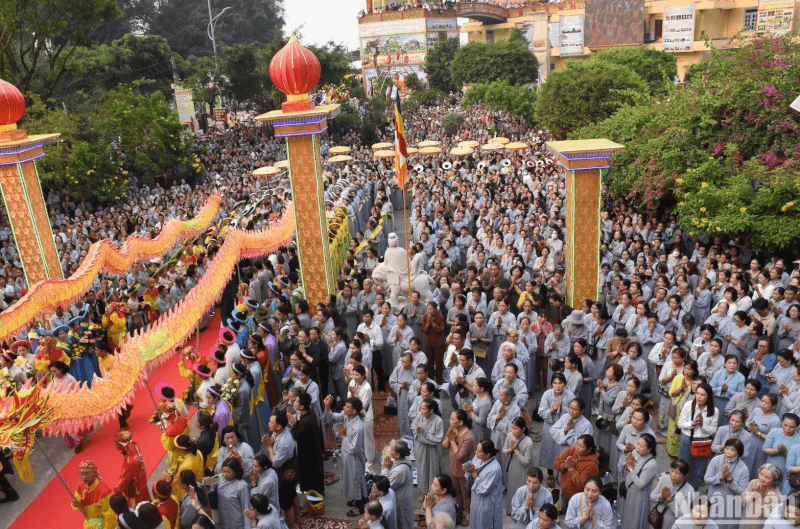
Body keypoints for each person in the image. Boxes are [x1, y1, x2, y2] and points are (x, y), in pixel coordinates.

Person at [323, 396, 367, 517]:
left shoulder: (358, 427)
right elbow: (330, 418)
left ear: (354, 411)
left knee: (356, 480)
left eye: (347, 407)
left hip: (354, 459)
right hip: (346, 456)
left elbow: (354, 448)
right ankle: (357, 499)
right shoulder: (346, 416)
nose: (343, 408)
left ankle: (360, 507)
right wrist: (327, 406)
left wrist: (343, 436)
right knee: (351, 480)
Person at [262, 412, 300, 527]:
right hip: (289, 468)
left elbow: (275, 463)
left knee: (286, 503)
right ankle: (298, 517)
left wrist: (269, 447)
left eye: (271, 422)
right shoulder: (279, 431)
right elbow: (273, 437)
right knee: (292, 494)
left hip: (285, 473)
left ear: (278, 426)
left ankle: (291, 525)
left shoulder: (285, 442)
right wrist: (270, 442)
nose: (268, 424)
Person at [678, 382, 719, 488]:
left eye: (703, 395)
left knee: (698, 472)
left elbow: (713, 431)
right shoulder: (688, 405)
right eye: (697, 393)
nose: (699, 397)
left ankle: (693, 493)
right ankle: (681, 491)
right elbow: (680, 424)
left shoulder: (714, 411)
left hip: (703, 442)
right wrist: (692, 423)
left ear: (708, 396)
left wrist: (702, 425)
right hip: (687, 439)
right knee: (683, 468)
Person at [703, 438, 750, 529]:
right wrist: (720, 477)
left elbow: (742, 491)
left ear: (739, 453)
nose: (728, 452)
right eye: (727, 448)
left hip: (731, 503)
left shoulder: (743, 468)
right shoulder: (716, 460)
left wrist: (730, 479)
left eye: (732, 450)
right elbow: (707, 479)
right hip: (714, 497)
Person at [538, 373, 575, 483]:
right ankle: (550, 474)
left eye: (560, 383)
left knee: (564, 451)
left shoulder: (570, 396)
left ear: (564, 384)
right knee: (550, 450)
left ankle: (562, 473)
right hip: (550, 426)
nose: (558, 386)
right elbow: (541, 412)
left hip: (565, 427)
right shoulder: (547, 394)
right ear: (552, 384)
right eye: (555, 383)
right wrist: (554, 408)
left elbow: (573, 411)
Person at [287, 391, 325, 496]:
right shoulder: (309, 412)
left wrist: (294, 425)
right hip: (312, 451)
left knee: (311, 476)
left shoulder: (307, 421)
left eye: (296, 401)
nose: (294, 402)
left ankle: (315, 498)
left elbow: (297, 436)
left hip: (309, 455)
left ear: (302, 406)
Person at [618, 433, 659, 529]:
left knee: (635, 520)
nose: (638, 447)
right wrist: (626, 465)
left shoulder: (651, 465)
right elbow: (628, 464)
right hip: (630, 490)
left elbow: (640, 484)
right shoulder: (636, 452)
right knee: (627, 516)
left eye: (641, 446)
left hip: (639, 496)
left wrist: (630, 468)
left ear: (649, 449)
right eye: (638, 444)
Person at [443, 409, 474, 521]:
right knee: (457, 491)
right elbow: (445, 445)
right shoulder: (453, 429)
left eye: (452, 419)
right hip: (454, 467)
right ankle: (460, 508)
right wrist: (449, 437)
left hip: (464, 469)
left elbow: (460, 456)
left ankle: (469, 514)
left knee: (466, 494)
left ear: (461, 422)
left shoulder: (468, 437)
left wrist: (452, 440)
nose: (450, 420)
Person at [464, 440, 503, 529]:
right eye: (476, 450)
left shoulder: (494, 469)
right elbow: (471, 469)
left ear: (487, 454)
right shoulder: (478, 458)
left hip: (487, 502)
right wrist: (468, 470)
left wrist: (473, 473)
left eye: (479, 451)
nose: (476, 452)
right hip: (475, 499)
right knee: (475, 522)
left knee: (484, 524)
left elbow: (483, 490)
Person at [203, 457, 250, 529]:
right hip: (224, 519)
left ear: (235, 472)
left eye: (228, 472)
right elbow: (205, 483)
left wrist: (247, 527)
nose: (225, 474)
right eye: (223, 471)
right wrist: (206, 481)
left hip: (237, 522)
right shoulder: (220, 477)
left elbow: (246, 507)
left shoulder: (242, 486)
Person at [553, 434, 600, 505]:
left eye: (581, 446)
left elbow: (582, 484)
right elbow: (557, 461)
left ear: (589, 449)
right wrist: (564, 466)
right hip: (565, 492)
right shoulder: (571, 450)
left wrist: (571, 469)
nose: (577, 448)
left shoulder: (592, 465)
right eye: (577, 444)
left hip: (580, 498)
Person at [648, 459, 694, 529]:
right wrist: (661, 496)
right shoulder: (664, 479)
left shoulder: (689, 490)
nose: (673, 475)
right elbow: (652, 496)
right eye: (672, 471)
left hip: (672, 522)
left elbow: (684, 514)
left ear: (685, 476)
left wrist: (670, 500)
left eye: (678, 473)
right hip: (658, 517)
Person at [71, 460, 117, 529]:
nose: (84, 477)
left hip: (102, 525)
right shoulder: (80, 488)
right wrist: (75, 504)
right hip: (89, 524)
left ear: (94, 472)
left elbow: (110, 515)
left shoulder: (104, 491)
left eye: (87, 473)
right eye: (82, 474)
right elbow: (77, 507)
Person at [503, 417, 535, 513]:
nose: (513, 431)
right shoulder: (509, 436)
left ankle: (521, 511)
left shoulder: (528, 442)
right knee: (512, 487)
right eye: (512, 428)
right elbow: (504, 449)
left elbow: (526, 461)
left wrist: (516, 450)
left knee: (521, 489)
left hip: (523, 469)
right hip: (513, 465)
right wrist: (509, 450)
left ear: (523, 429)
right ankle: (511, 508)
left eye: (516, 428)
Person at [414, 398, 444, 499]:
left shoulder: (438, 421)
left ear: (431, 411)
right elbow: (414, 430)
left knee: (432, 470)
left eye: (423, 409)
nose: (420, 411)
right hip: (421, 448)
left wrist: (424, 434)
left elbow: (438, 439)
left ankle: (431, 493)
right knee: (422, 469)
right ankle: (423, 491)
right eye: (420, 408)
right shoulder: (419, 416)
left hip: (432, 450)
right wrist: (419, 434)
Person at [380, 440, 414, 529]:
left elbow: (384, 486)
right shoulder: (405, 458)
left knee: (401, 523)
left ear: (398, 455)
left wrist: (385, 469)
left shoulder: (399, 471)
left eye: (391, 449)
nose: (389, 450)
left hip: (400, 503)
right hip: (405, 495)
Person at [112, 430, 151, 507]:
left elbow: (124, 479)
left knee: (140, 508)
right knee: (147, 500)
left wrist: (117, 489)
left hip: (135, 488)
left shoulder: (129, 463)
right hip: (142, 479)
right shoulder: (134, 446)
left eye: (116, 442)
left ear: (121, 444)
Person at [739, 463, 782, 529]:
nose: (762, 478)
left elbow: (767, 516)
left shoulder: (776, 496)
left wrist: (761, 497)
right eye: (761, 474)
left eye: (767, 477)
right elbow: (743, 499)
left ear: (774, 481)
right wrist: (753, 496)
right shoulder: (754, 483)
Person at [550, 398, 594, 462]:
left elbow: (584, 445)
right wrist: (565, 430)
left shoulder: (586, 425)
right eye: (570, 408)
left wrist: (570, 431)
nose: (571, 411)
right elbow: (552, 430)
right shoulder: (565, 416)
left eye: (575, 410)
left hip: (576, 457)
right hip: (562, 451)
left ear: (581, 411)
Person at [390, 352, 416, 437]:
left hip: (412, 396)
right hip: (402, 395)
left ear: (411, 362)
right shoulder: (398, 369)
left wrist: (408, 387)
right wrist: (400, 386)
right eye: (403, 361)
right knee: (402, 415)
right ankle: (404, 436)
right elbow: (392, 381)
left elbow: (419, 384)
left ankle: (412, 437)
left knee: (411, 415)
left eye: (406, 362)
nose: (404, 364)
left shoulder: (415, 370)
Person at [422, 302, 446, 383]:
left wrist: (433, 324)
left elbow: (441, 330)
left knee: (439, 363)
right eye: (428, 309)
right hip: (428, 342)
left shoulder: (440, 316)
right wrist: (428, 324)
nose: (429, 311)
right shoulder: (425, 316)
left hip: (438, 343)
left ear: (436, 310)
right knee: (429, 362)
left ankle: (439, 381)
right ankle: (430, 381)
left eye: (431, 309)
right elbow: (424, 330)